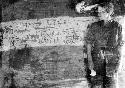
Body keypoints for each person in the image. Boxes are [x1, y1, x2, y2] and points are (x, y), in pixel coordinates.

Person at [76, 1, 122, 88]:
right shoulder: (94, 26)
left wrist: (119, 63)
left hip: (111, 64)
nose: (99, 14)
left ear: (110, 12)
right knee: (96, 85)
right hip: (96, 63)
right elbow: (88, 44)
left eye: (102, 12)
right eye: (98, 12)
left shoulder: (117, 26)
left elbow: (120, 45)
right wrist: (90, 61)